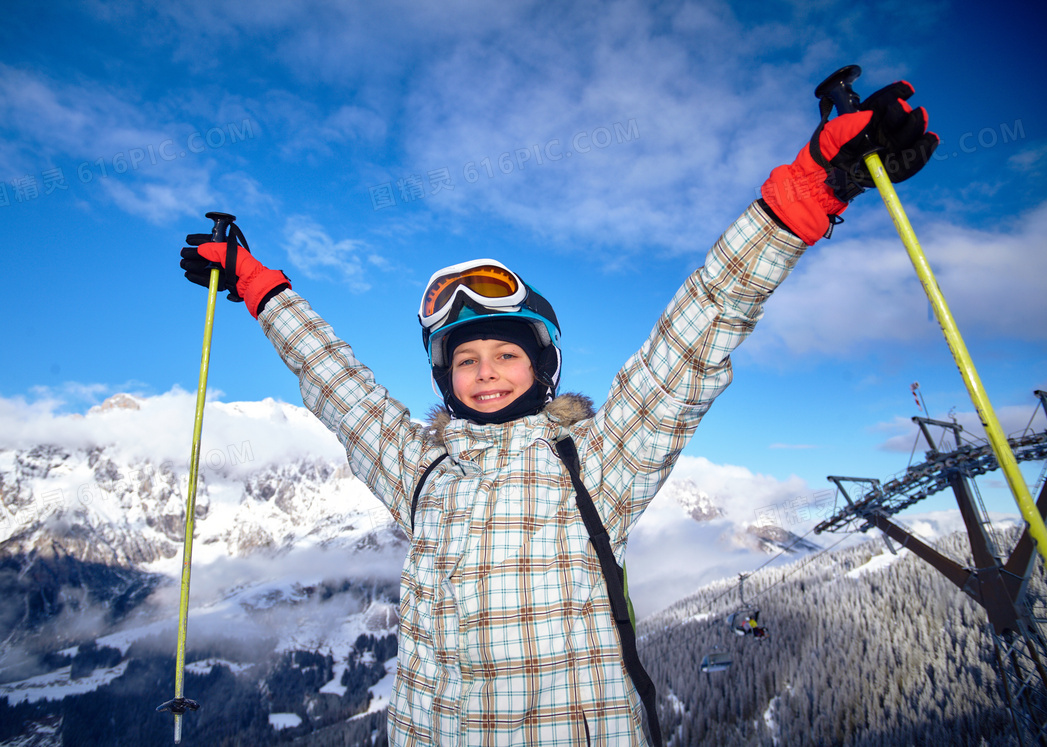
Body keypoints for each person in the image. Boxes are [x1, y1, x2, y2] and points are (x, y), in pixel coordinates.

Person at [181, 80, 937, 746]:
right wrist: (258, 286)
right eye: (465, 360)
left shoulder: (597, 461)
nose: (484, 374)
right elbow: (337, 384)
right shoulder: (420, 469)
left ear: (543, 368)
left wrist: (807, 190)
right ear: (445, 380)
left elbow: (697, 333)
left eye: (506, 355)